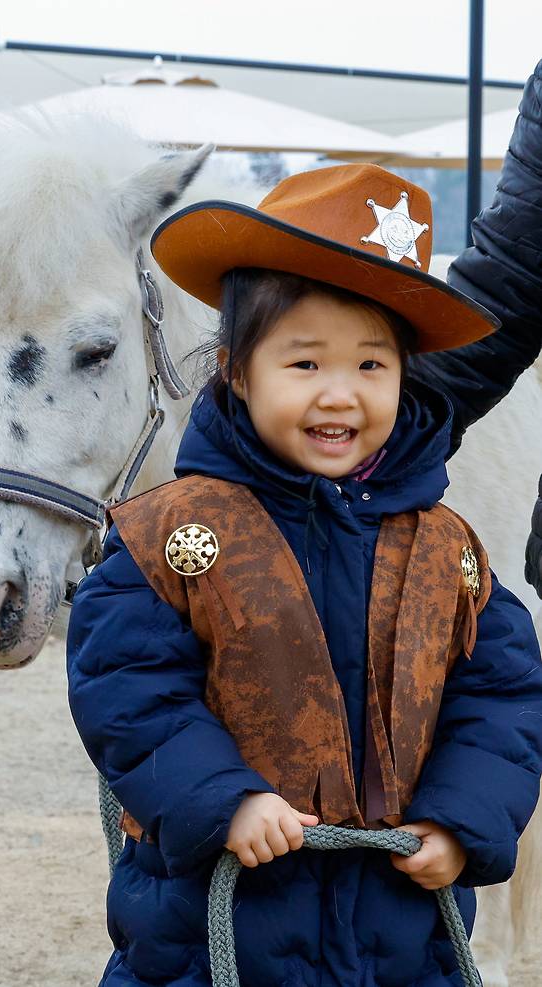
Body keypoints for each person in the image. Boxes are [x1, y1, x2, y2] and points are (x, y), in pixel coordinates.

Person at [67, 154, 542, 987]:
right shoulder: (169, 540)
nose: (340, 394)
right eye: (305, 363)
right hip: (213, 940)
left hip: (401, 939)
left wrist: (463, 819)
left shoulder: (448, 552)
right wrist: (222, 796)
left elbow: (502, 697)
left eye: (370, 365)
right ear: (236, 371)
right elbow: (128, 686)